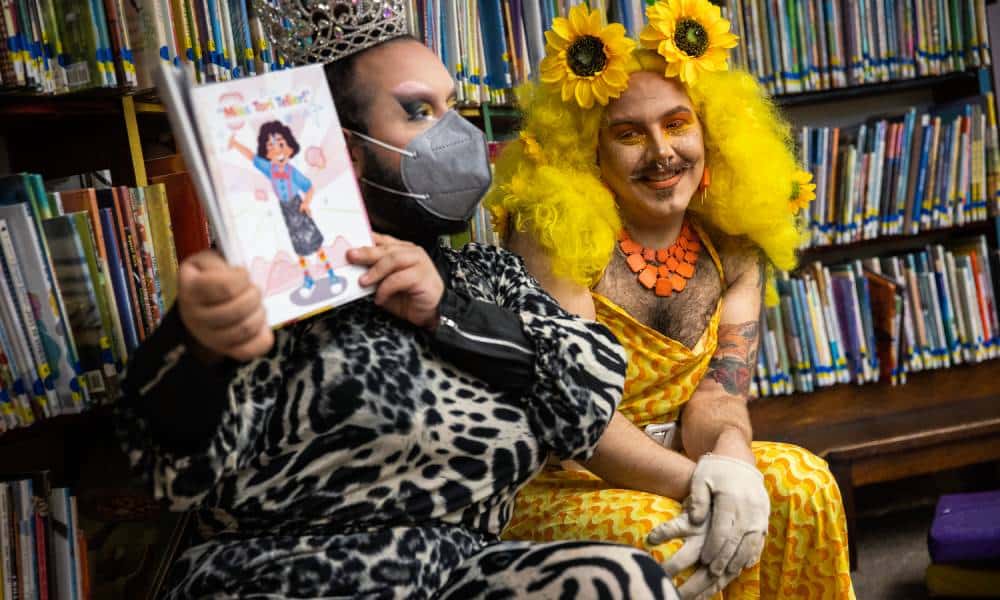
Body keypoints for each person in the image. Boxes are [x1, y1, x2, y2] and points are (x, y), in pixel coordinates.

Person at [114, 1, 681, 598]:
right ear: (341, 147)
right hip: (281, 576)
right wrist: (198, 346)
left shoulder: (486, 278)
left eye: (451, 107)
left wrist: (449, 314)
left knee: (617, 582)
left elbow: (587, 400)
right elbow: (172, 474)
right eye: (418, 111)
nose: (456, 134)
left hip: (460, 573)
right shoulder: (268, 291)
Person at [486, 2, 855, 599]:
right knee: (666, 532)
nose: (661, 152)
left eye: (677, 123)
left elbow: (720, 393)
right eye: (629, 134)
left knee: (805, 485)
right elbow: (588, 425)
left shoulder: (733, 241)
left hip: (689, 455)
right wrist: (704, 486)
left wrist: (732, 462)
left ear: (709, 130)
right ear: (589, 152)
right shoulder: (553, 235)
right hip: (565, 480)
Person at [229, 121, 346, 292]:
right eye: (271, 146)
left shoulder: (292, 172)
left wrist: (306, 203)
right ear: (267, 152)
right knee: (298, 247)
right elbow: (251, 157)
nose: (277, 150)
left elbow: (309, 188)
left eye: (281, 144)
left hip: (298, 206)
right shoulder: (269, 169)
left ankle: (330, 273)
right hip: (286, 209)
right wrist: (235, 144)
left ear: (290, 148)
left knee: (315, 244)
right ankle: (308, 278)